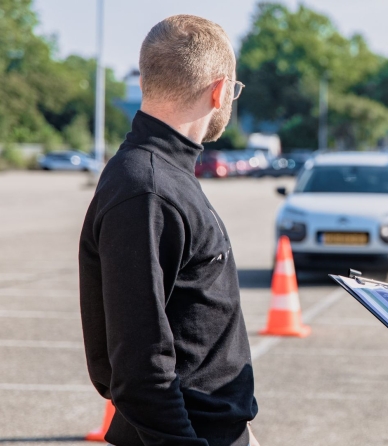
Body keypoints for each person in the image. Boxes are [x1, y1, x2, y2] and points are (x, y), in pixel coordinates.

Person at [78, 15, 259, 446]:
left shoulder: (162, 175)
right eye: (233, 90)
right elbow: (140, 370)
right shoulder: (147, 189)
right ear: (219, 91)